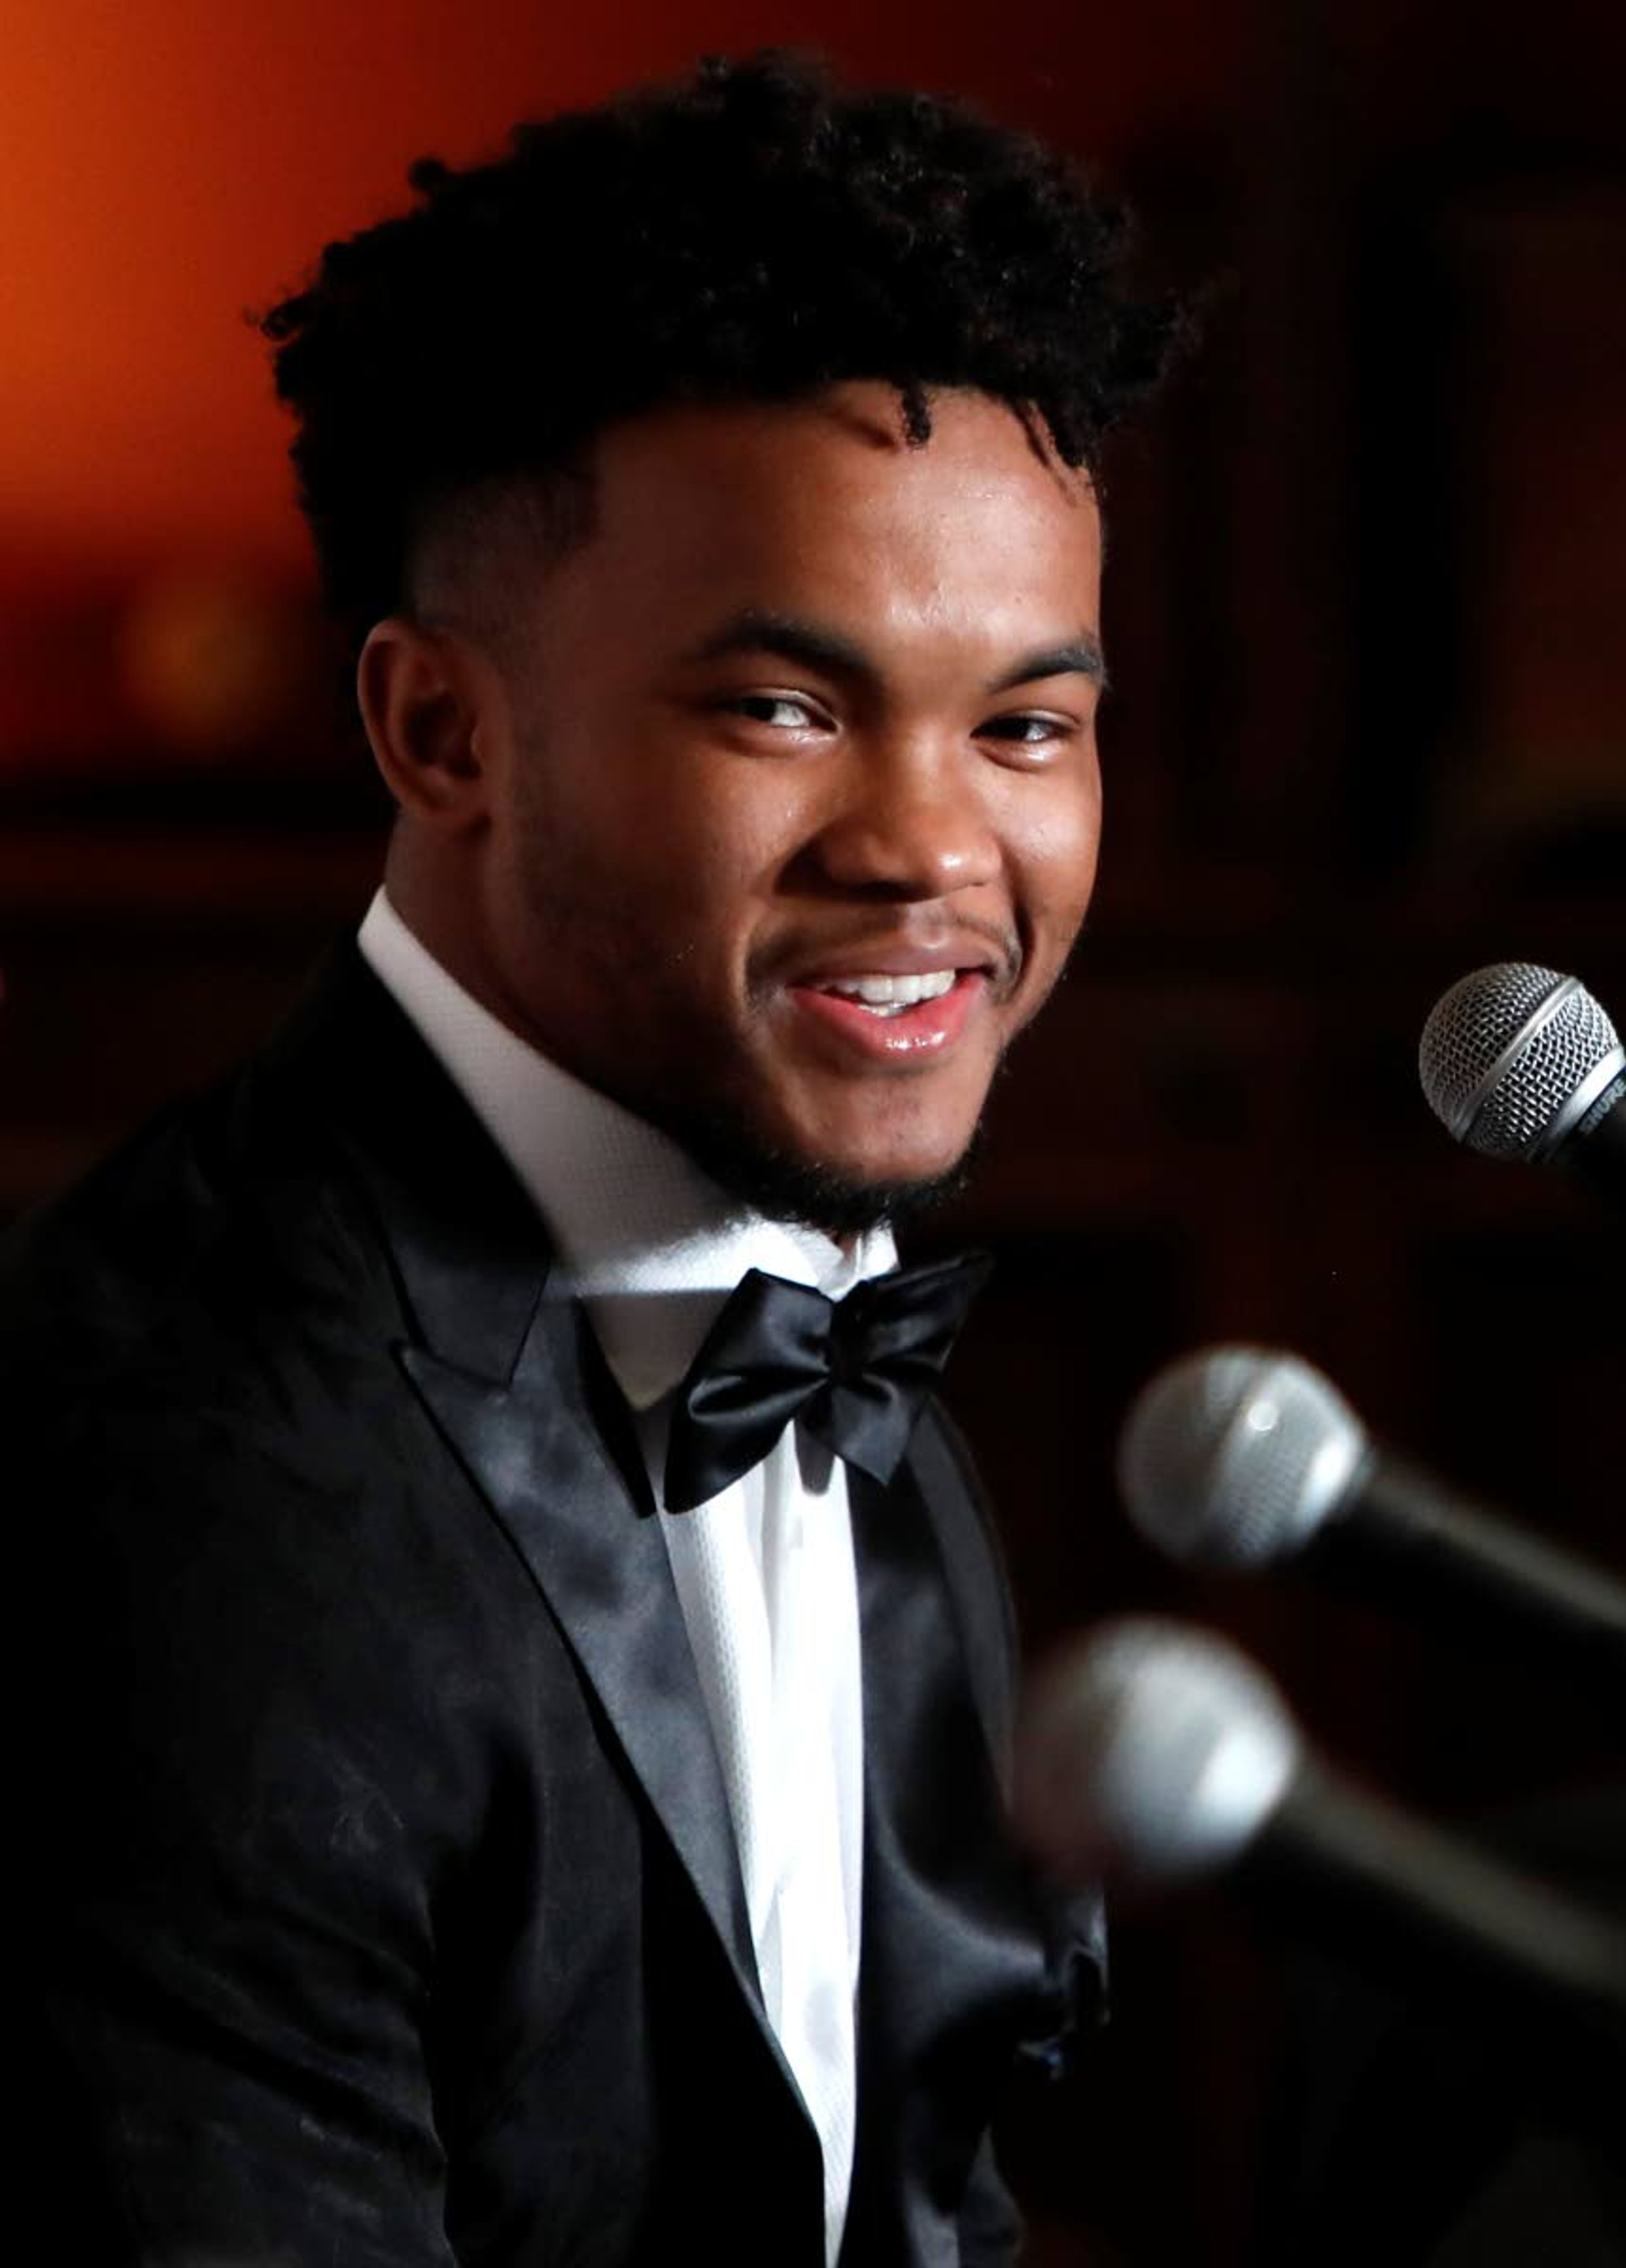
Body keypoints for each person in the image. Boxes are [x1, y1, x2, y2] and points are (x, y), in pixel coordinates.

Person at [5, 52, 1181, 2266]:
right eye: (788, 709)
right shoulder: (168, 1481)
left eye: (1027, 724)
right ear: (440, 728)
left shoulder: (827, 1308)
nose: (941, 844)